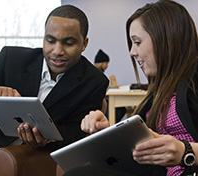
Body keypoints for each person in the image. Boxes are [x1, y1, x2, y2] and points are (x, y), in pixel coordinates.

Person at [64, 0, 198, 175]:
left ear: (165, 39)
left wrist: (186, 151)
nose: (132, 52)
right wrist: (109, 132)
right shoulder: (161, 90)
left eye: (137, 42)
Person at [0, 5, 109, 176]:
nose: (57, 51)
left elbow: (77, 133)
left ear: (84, 44)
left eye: (68, 43)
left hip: (29, 160)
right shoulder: (12, 58)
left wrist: (47, 136)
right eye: (50, 41)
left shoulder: (94, 82)